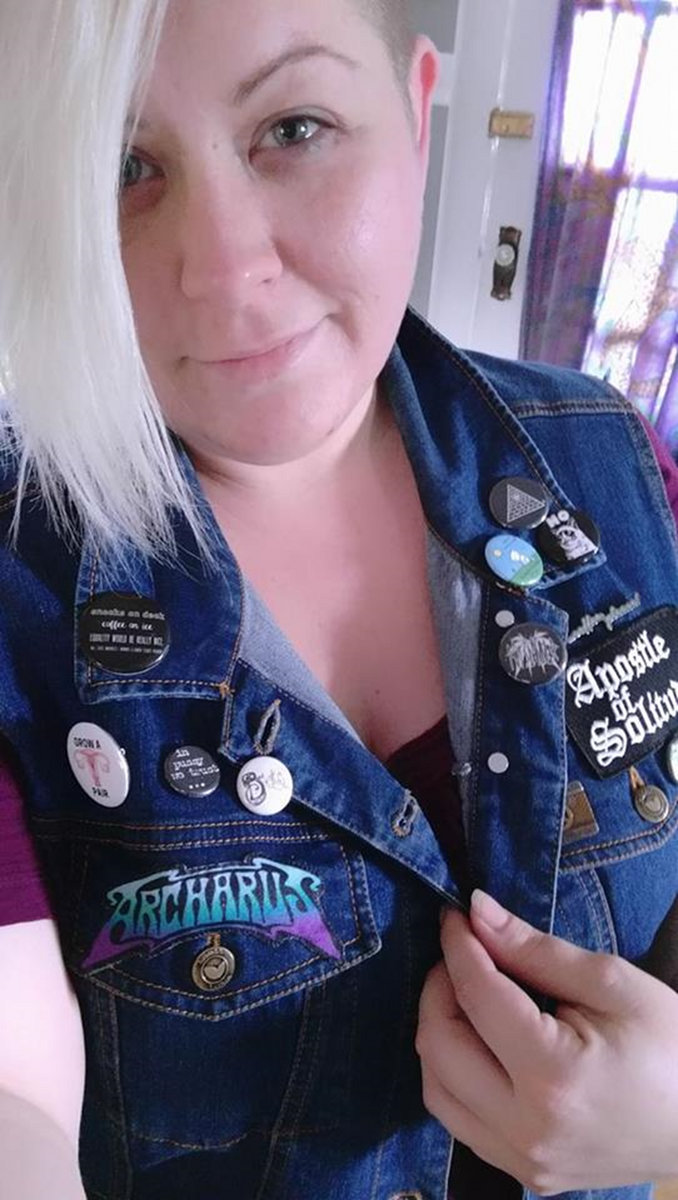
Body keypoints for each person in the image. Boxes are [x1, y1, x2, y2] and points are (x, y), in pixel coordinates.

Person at [0, 2, 677, 1198]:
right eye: (121, 169)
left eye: (294, 128)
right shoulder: (19, 584)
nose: (224, 270)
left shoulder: (616, 463)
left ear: (414, 114)